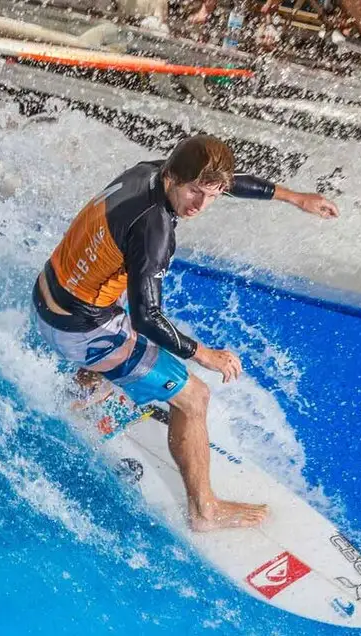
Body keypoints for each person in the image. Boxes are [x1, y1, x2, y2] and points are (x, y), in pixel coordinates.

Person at [32, 135, 339, 533]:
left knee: (116, 296)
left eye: (212, 196)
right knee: (195, 397)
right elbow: (147, 319)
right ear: (174, 177)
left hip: (51, 293)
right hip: (77, 327)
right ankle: (204, 512)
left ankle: (81, 394)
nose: (199, 205)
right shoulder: (153, 229)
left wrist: (294, 197)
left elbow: (225, 182)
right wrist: (205, 355)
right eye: (194, 192)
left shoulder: (148, 171)